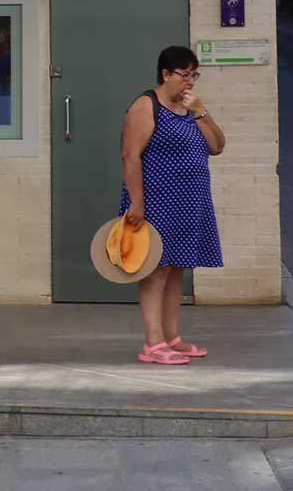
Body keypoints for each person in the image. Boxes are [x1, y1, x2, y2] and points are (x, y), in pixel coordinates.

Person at [120, 45, 226, 365]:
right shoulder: (146, 105)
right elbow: (130, 156)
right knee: (156, 270)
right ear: (166, 74)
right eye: (185, 75)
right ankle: (152, 343)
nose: (190, 81)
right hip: (158, 200)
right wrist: (137, 202)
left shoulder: (191, 109)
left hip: (188, 201)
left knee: (177, 267)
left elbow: (217, 146)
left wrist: (201, 111)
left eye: (194, 75)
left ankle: (171, 337)